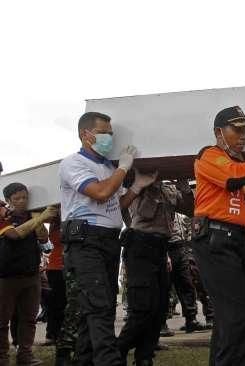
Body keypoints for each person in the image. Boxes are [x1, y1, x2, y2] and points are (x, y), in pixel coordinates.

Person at [192, 106, 245, 365]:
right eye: (236, 130)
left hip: (241, 240)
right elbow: (231, 178)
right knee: (236, 313)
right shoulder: (210, 156)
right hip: (217, 240)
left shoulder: (244, 167)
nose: (243, 136)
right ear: (219, 132)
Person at [58, 111, 141, 366]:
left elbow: (117, 203)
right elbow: (102, 193)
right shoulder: (74, 163)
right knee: (99, 305)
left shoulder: (107, 167)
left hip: (108, 239)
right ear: (87, 135)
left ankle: (84, 361)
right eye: (105, 132)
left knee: (92, 310)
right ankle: (109, 361)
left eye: (111, 133)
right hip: (85, 240)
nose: (110, 138)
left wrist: (137, 187)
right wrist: (124, 168)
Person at [118, 175, 194, 365]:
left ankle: (145, 357)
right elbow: (145, 213)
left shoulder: (168, 189)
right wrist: (151, 187)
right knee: (142, 308)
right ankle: (116, 352)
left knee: (159, 308)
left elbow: (189, 210)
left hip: (161, 247)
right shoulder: (138, 185)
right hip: (140, 246)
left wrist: (184, 189)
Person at [0, 183, 58, 366]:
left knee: (29, 318)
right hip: (6, 277)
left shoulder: (33, 214)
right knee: (2, 321)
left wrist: (39, 219)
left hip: (31, 275)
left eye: (25, 197)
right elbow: (15, 235)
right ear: (9, 201)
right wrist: (41, 218)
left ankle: (25, 355)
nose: (22, 201)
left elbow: (43, 238)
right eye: (17, 198)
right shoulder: (4, 215)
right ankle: (2, 357)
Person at [168, 213, 213, 332]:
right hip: (172, 245)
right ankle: (163, 324)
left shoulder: (189, 208)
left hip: (187, 246)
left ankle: (194, 318)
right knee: (168, 286)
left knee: (191, 283)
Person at [45, 212, 66, 343]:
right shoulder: (54, 221)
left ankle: (60, 334)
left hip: (66, 266)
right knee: (55, 303)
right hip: (55, 267)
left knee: (65, 303)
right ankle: (52, 334)